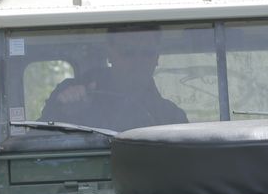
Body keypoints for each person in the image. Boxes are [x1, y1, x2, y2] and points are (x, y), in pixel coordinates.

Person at [39, 30, 186, 130]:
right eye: (128, 52)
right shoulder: (71, 96)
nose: (138, 60)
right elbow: (38, 145)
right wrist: (66, 114)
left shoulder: (172, 116)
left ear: (156, 58)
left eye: (147, 53)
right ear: (110, 54)